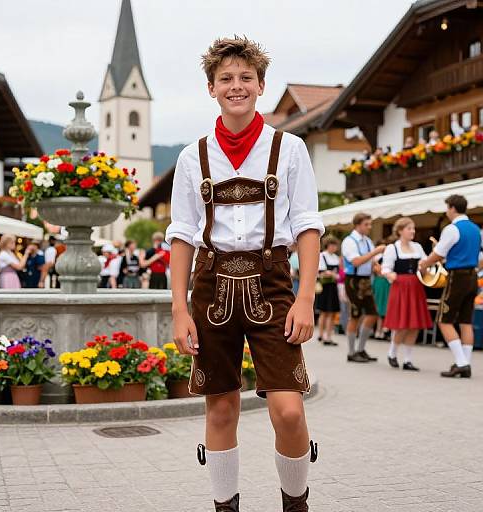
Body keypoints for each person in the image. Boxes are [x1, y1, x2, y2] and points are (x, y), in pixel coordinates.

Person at [165, 36, 324, 512]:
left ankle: (296, 504)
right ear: (211, 88)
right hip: (211, 285)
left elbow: (308, 226)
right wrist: (177, 309)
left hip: (273, 282)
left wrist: (306, 298)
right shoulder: (193, 156)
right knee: (220, 406)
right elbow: (182, 235)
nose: (236, 86)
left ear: (261, 85)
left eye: (245, 78)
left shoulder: (289, 148)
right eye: (226, 79)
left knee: (289, 410)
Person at [419, 195, 481, 378]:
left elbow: (438, 254)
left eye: (447, 208)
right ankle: (466, 363)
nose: (447, 211)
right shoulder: (476, 229)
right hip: (472, 276)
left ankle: (461, 363)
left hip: (457, 278)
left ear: (452, 208)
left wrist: (423, 264)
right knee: (466, 321)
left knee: (443, 320)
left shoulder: (452, 228)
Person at [382, 218, 432, 371]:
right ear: (400, 231)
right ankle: (392, 353)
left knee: (414, 324)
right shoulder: (392, 248)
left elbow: (425, 267)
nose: (413, 231)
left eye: (413, 228)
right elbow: (385, 269)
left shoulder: (417, 247)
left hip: (416, 286)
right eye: (409, 228)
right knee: (401, 324)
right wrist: (392, 276)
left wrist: (425, 268)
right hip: (401, 287)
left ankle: (408, 359)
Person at [341, 213, 385, 363]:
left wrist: (377, 267)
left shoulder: (367, 241)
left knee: (373, 313)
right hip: (353, 280)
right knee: (355, 315)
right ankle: (351, 352)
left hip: (366, 280)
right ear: (358, 224)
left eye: (370, 224)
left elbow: (371, 261)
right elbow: (356, 261)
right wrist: (375, 252)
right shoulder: (349, 241)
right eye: (366, 224)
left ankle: (361, 349)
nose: (369, 227)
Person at [316, 236, 340, 346]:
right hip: (324, 286)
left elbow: (339, 274)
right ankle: (321, 334)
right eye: (332, 245)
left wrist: (334, 275)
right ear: (327, 245)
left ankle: (328, 336)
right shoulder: (322, 256)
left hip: (333, 286)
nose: (334, 247)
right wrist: (330, 273)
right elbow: (320, 272)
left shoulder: (336, 257)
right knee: (323, 312)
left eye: (335, 245)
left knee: (332, 312)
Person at [372, 239, 391, 340]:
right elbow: (377, 270)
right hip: (379, 282)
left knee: (386, 306)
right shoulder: (376, 258)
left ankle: (384, 330)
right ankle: (378, 330)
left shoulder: (389, 257)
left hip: (387, 282)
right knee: (379, 305)